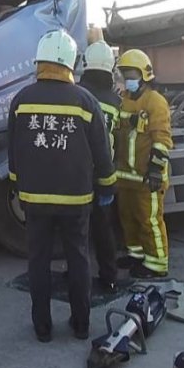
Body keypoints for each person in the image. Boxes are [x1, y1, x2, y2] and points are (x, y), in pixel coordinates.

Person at [7, 30, 116, 343]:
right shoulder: (85, 101)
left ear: (40, 62)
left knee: (38, 261)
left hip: (34, 199)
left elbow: (13, 152)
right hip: (76, 199)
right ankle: (81, 325)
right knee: (78, 258)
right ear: (71, 62)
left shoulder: (21, 101)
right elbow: (102, 152)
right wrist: (107, 187)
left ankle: (42, 328)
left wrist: (17, 187)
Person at [113, 48, 173, 279]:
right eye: (124, 75)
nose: (127, 80)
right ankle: (136, 255)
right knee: (128, 218)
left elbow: (162, 138)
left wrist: (156, 170)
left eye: (131, 75)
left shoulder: (155, 102)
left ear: (144, 75)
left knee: (150, 221)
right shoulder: (125, 101)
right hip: (126, 176)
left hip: (147, 176)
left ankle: (157, 263)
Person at [79, 41, 122, 293]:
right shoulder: (115, 101)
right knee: (104, 229)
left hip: (77, 173)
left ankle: (78, 274)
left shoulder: (76, 94)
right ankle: (109, 276)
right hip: (104, 172)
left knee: (76, 230)